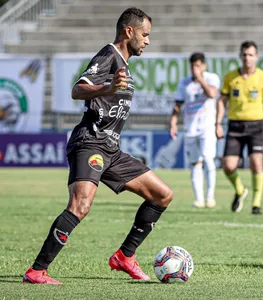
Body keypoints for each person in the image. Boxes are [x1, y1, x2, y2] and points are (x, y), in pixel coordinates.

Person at [22, 8, 174, 284]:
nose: (147, 41)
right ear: (129, 31)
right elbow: (78, 89)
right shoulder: (108, 55)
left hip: (111, 149)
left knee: (162, 195)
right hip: (90, 143)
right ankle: (36, 271)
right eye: (145, 34)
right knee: (80, 205)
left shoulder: (124, 65)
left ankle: (125, 256)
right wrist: (106, 88)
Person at [216, 40, 263, 215]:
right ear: (240, 56)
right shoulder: (230, 77)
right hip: (235, 126)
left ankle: (256, 204)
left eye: (251, 55)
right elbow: (221, 101)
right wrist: (218, 123)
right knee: (228, 166)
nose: (247, 58)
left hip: (256, 126)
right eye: (244, 55)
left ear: (256, 57)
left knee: (256, 164)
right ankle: (239, 190)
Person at [170, 52, 220, 208]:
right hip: (190, 128)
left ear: (204, 66)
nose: (195, 69)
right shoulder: (184, 83)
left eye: (198, 65)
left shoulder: (212, 78)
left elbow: (212, 94)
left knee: (208, 159)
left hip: (207, 127)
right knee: (194, 163)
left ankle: (210, 197)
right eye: (192, 66)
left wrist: (200, 80)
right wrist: (173, 123)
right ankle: (199, 199)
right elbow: (177, 105)